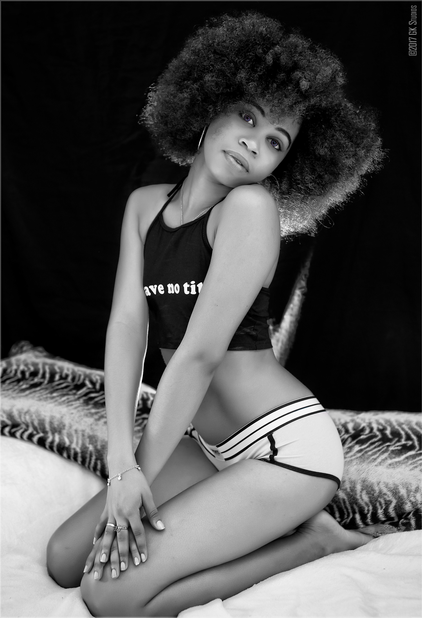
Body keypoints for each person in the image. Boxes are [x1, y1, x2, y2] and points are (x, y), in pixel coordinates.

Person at [47, 11, 388, 617]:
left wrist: (136, 476)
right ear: (208, 108)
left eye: (277, 141)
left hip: (284, 449)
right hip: (204, 443)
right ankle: (275, 518)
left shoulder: (249, 210)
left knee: (110, 597)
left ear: (286, 165)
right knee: (63, 558)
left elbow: (200, 356)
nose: (256, 142)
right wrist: (122, 465)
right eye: (248, 117)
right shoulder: (144, 207)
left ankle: (314, 539)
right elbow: (127, 328)